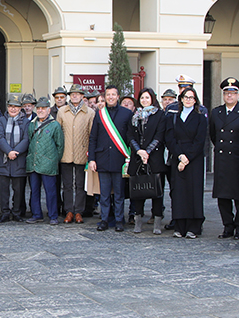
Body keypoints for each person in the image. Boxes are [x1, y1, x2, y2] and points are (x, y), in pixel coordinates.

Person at [208, 77, 239, 239]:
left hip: (238, 160)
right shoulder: (216, 112)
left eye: (233, 93)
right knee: (223, 197)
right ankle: (228, 226)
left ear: (238, 94)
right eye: (227, 93)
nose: (229, 96)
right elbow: (213, 134)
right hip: (222, 159)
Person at [87, 85, 133, 232]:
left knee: (119, 193)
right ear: (105, 97)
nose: (111, 97)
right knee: (104, 193)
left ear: (118, 97)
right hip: (102, 159)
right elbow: (93, 138)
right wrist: (92, 159)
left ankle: (119, 220)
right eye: (108, 95)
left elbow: (130, 137)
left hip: (120, 159)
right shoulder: (100, 114)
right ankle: (104, 219)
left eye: (114, 94)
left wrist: (130, 157)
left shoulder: (126, 114)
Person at [166, 86, 207, 238]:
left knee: (194, 192)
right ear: (181, 99)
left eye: (192, 97)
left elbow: (200, 141)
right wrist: (180, 156)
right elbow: (170, 139)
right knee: (179, 192)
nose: (189, 100)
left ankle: (194, 227)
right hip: (178, 157)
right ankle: (179, 226)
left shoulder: (200, 118)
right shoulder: (173, 117)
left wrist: (187, 158)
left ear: (195, 100)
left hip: (194, 160)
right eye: (186, 97)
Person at [128, 88, 165, 234]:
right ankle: (138, 220)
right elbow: (129, 135)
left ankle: (157, 221)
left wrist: (147, 152)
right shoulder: (135, 115)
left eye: (147, 98)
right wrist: (139, 151)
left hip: (154, 158)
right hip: (138, 158)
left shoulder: (159, 115)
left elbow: (160, 135)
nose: (144, 100)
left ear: (152, 99)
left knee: (157, 192)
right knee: (138, 192)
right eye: (142, 98)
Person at [57, 83, 93, 223]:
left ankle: (79, 211)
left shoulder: (89, 112)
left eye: (77, 94)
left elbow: (91, 134)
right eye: (72, 94)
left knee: (80, 184)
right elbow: (58, 132)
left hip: (82, 153)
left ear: (82, 96)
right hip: (66, 153)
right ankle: (68, 211)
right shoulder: (62, 111)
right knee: (67, 185)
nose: (75, 96)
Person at [25, 97, 63, 224]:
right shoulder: (32, 124)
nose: (40, 110)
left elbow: (60, 146)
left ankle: (53, 216)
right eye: (39, 108)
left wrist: (53, 160)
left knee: (50, 192)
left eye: (43, 108)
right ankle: (37, 214)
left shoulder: (55, 125)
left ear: (48, 110)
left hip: (48, 163)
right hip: (34, 162)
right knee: (34, 190)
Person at [0, 94, 30, 223]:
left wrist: (16, 152)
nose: (13, 109)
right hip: (4, 160)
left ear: (20, 108)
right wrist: (9, 151)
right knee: (3, 190)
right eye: (10, 106)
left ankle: (16, 212)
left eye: (16, 107)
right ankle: (4, 212)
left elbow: (26, 139)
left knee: (18, 189)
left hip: (19, 160)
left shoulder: (26, 122)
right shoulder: (1, 120)